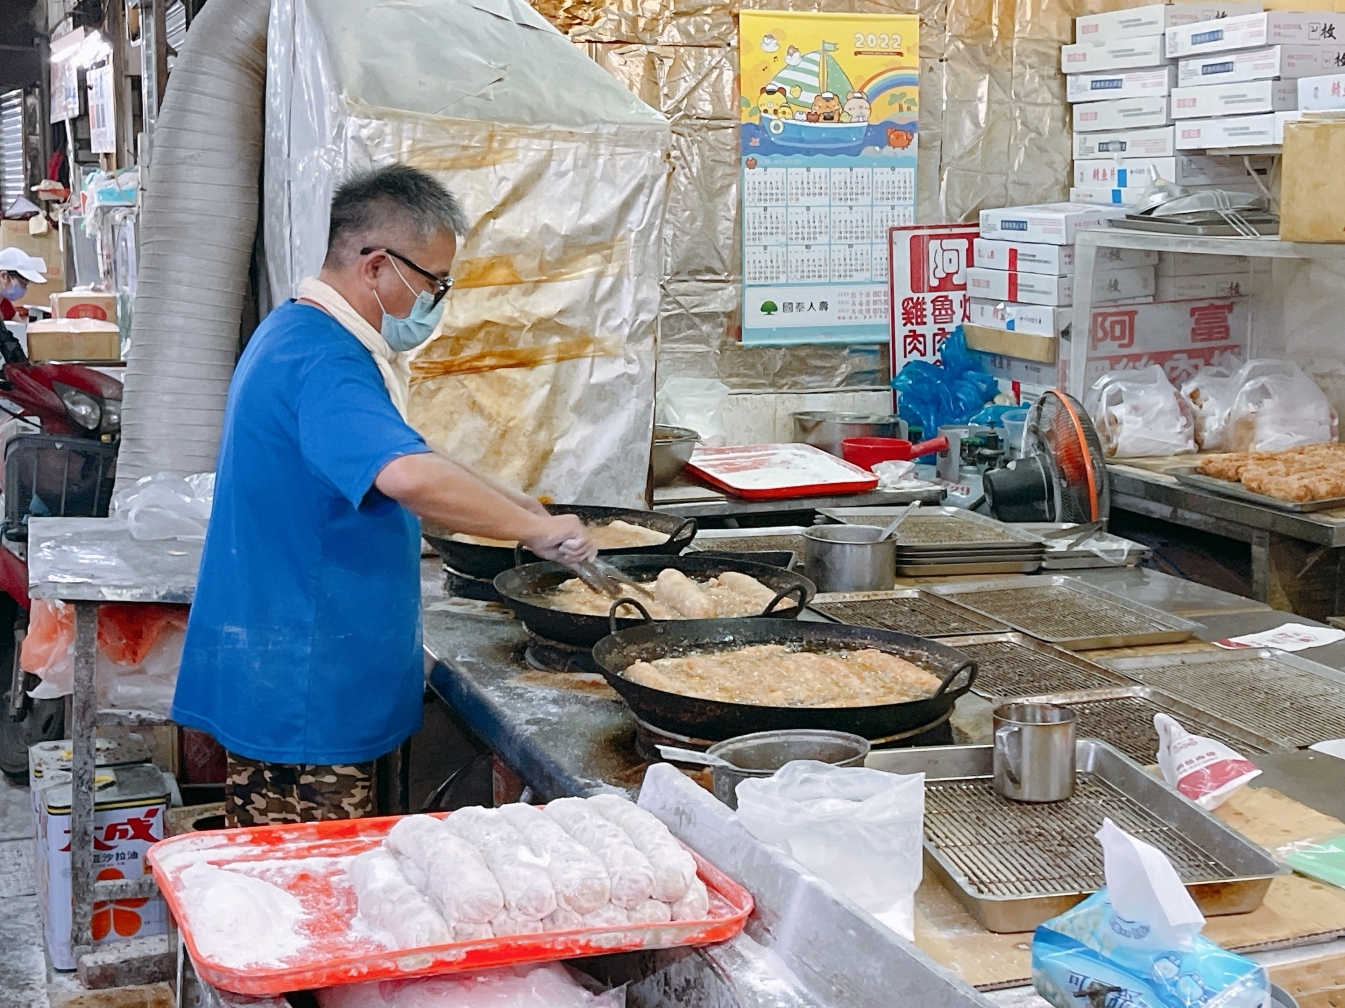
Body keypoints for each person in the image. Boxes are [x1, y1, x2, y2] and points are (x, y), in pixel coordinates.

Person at [173, 164, 594, 827]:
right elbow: (406, 475)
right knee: (315, 885)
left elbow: (406, 448)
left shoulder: (299, 332)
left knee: (297, 876)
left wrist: (516, 502)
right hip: (309, 687)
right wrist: (533, 534)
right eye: (432, 283)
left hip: (296, 665)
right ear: (375, 266)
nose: (435, 300)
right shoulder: (324, 360)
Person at [0, 247, 48, 322]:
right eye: (22, 284)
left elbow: (20, 325)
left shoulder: (5, 305)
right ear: (4, 276)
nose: (23, 289)